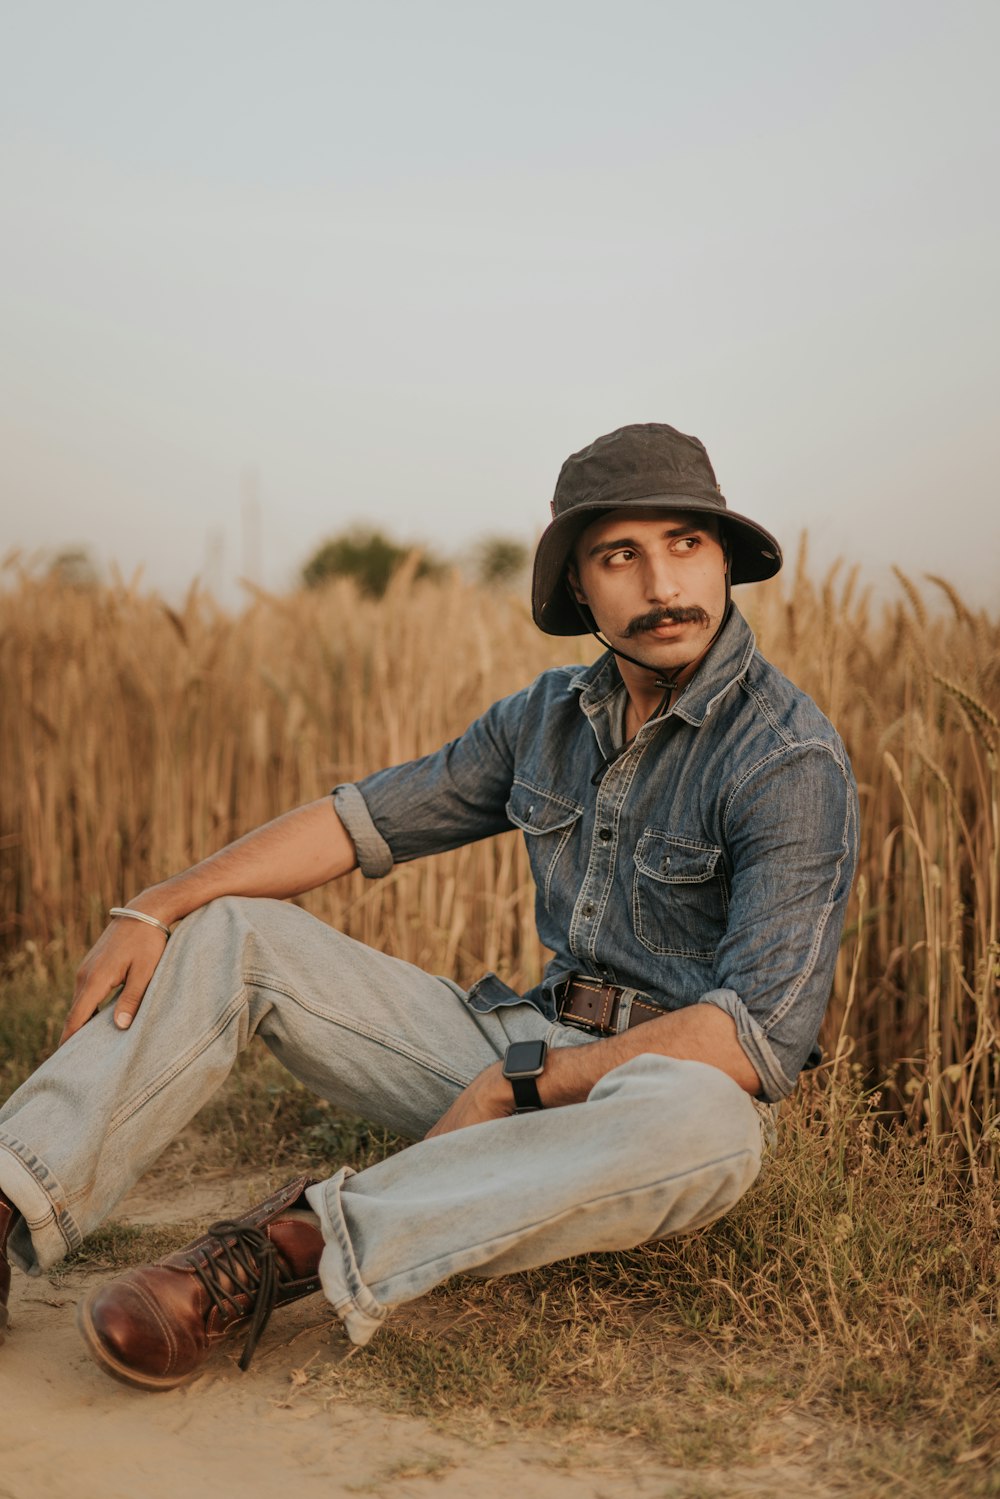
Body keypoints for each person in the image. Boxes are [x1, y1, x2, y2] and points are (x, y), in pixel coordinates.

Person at [0, 423, 858, 1392]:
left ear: (722, 557)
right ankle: (11, 1191)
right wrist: (159, 900)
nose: (662, 584)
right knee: (234, 927)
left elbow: (753, 1042)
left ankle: (293, 1240)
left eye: (685, 544)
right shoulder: (542, 717)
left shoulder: (786, 756)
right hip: (517, 1037)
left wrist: (518, 1090)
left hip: (653, 1092)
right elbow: (357, 820)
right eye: (622, 554)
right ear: (580, 585)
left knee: (712, 1126)